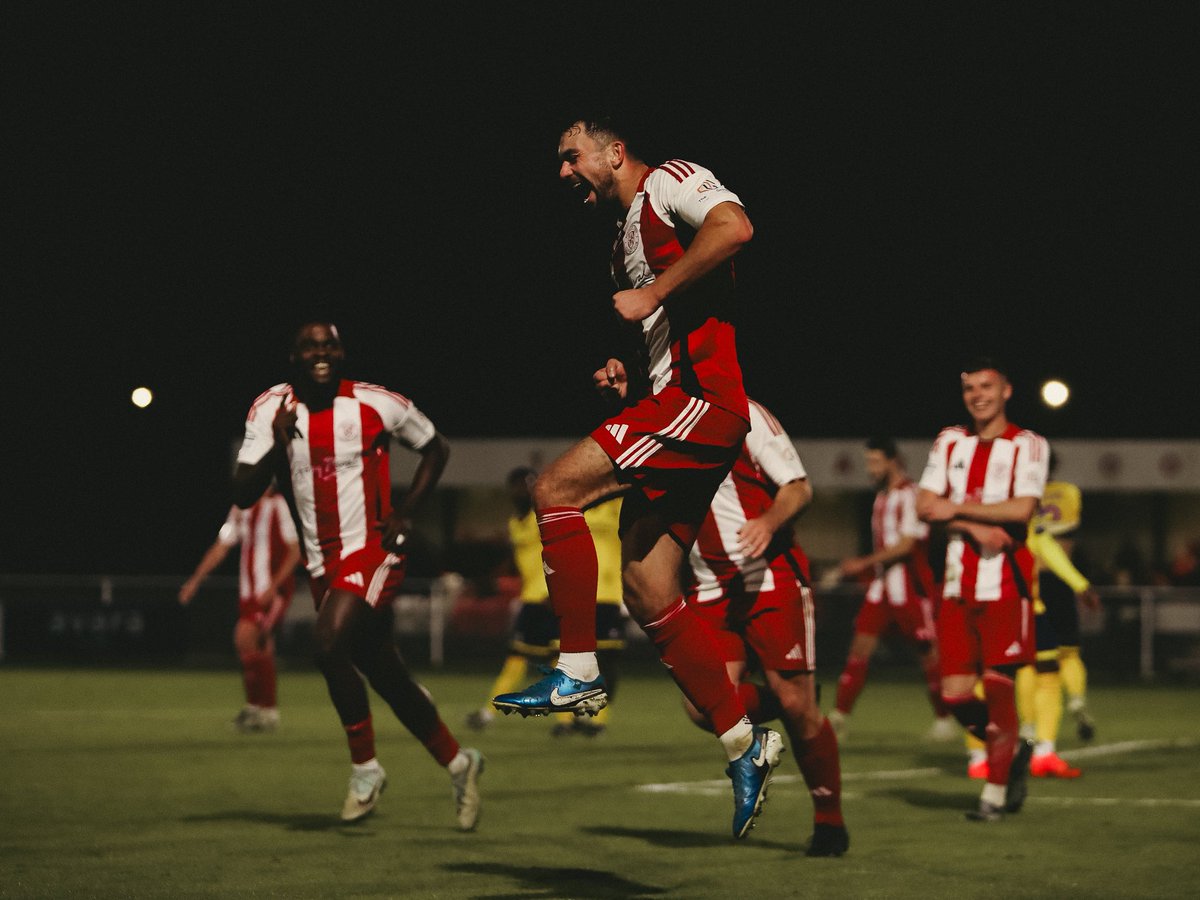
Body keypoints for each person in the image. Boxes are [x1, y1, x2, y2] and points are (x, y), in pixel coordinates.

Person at [491, 113, 783, 839]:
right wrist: (631, 364)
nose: (562, 173)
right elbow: (665, 319)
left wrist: (653, 296)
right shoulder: (620, 241)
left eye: (571, 156)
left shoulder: (671, 181)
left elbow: (735, 228)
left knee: (552, 489)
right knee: (648, 586)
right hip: (671, 399)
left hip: (703, 401)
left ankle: (580, 669)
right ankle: (747, 745)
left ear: (614, 152)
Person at [232, 321, 484, 829]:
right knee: (385, 674)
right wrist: (279, 446)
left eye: (329, 345)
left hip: (373, 549)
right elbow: (242, 490)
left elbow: (436, 448)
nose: (321, 353)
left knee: (327, 645)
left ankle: (365, 770)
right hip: (321, 564)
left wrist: (407, 512)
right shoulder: (269, 409)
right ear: (293, 357)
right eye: (310, 346)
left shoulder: (375, 403)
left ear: (342, 353)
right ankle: (460, 762)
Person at [680, 398, 849, 857]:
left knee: (797, 703)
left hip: (768, 577)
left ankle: (829, 822)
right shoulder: (650, 424)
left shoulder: (742, 412)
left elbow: (798, 488)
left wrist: (769, 520)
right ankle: (794, 704)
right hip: (710, 588)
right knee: (701, 706)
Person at [916, 357, 1047, 822]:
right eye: (970, 387)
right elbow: (924, 505)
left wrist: (956, 511)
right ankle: (1010, 752)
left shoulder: (1028, 445)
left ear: (1006, 390)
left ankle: (993, 795)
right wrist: (973, 525)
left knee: (998, 691)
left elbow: (1022, 510)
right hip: (956, 585)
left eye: (987, 386)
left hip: (1005, 586)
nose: (978, 395)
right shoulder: (950, 441)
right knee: (953, 695)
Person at [465, 468, 626, 736]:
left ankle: (590, 720)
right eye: (517, 486)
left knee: (594, 662)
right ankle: (562, 720)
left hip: (574, 595)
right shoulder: (519, 521)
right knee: (527, 658)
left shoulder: (602, 507)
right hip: (538, 599)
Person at [828, 436, 956, 743]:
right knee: (860, 647)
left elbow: (908, 544)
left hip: (910, 587)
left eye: (874, 462)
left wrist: (863, 563)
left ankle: (945, 719)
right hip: (883, 587)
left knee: (929, 653)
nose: (869, 468)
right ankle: (839, 717)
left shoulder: (911, 495)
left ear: (892, 461)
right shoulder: (883, 497)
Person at [179, 483, 301, 732]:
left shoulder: (280, 506)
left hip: (271, 590)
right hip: (250, 591)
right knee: (259, 647)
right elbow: (221, 547)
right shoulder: (240, 508)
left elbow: (295, 550)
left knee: (245, 636)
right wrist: (195, 580)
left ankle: (264, 711)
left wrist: (274, 585)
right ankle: (260, 711)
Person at [1015, 470, 1101, 778]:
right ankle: (1073, 703)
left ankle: (1027, 737)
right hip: (1048, 589)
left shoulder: (1008, 497)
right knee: (1066, 656)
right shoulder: (1064, 493)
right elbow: (1053, 543)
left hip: (1016, 593)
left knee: (1028, 668)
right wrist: (1081, 584)